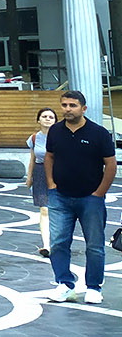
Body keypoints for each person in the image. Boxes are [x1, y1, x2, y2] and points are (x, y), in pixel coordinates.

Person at [43, 90, 116, 304]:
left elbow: (111, 165)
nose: (68, 109)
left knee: (94, 245)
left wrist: (99, 193)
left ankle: (93, 287)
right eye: (64, 105)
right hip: (60, 197)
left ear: (83, 108)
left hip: (90, 199)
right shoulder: (55, 131)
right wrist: (51, 184)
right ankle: (64, 284)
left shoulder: (99, 133)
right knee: (58, 242)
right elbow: (49, 157)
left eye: (72, 105)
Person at [24, 107, 57, 257]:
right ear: (38, 120)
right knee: (44, 209)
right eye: (44, 116)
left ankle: (58, 242)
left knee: (59, 209)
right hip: (40, 172)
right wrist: (29, 177)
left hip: (58, 173)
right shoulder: (34, 138)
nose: (47, 119)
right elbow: (32, 159)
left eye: (51, 117)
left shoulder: (60, 137)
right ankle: (46, 245)